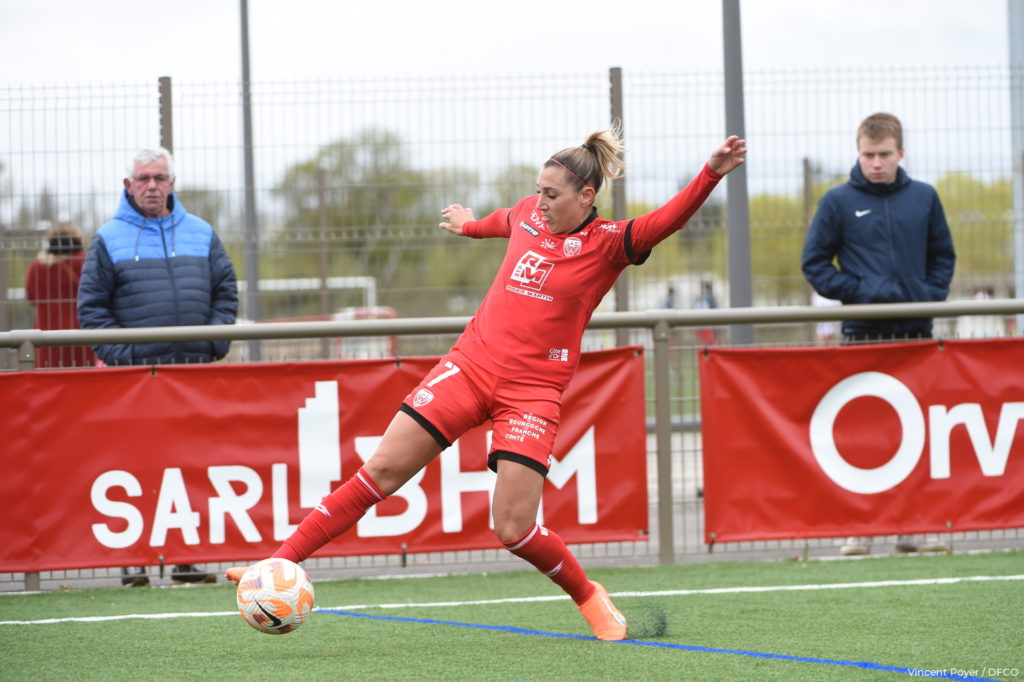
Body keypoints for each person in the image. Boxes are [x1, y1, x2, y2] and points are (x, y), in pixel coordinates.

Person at [225, 129, 747, 640]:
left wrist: (710, 173)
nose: (539, 203)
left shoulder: (610, 243)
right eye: (538, 191)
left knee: (513, 529)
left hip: (531, 395)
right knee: (379, 472)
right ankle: (275, 565)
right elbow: (502, 220)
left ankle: (589, 595)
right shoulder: (527, 213)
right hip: (469, 368)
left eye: (552, 195)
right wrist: (468, 225)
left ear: (587, 196)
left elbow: (668, 219)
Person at [78, 147, 238, 586]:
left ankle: (186, 558)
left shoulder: (202, 233)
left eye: (160, 177)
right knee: (135, 466)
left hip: (193, 373)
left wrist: (213, 341)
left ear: (172, 183)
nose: (152, 185)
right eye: (144, 178)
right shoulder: (108, 238)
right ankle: (135, 560)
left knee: (193, 464)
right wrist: (126, 356)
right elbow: (92, 311)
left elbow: (226, 291)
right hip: (135, 381)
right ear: (128, 185)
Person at [801, 113, 955, 556]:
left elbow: (943, 256)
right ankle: (861, 529)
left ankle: (914, 528)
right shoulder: (837, 201)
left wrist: (926, 296)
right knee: (863, 429)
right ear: (859, 152)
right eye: (868, 154)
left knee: (918, 429)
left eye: (884, 154)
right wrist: (861, 292)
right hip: (862, 336)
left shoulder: (924, 197)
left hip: (916, 334)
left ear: (900, 152)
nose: (876, 163)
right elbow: (814, 264)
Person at [24, 222, 96, 368]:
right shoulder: (85, 262)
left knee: (49, 375)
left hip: (45, 334)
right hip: (80, 332)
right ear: (77, 239)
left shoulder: (37, 266)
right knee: (82, 374)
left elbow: (31, 296)